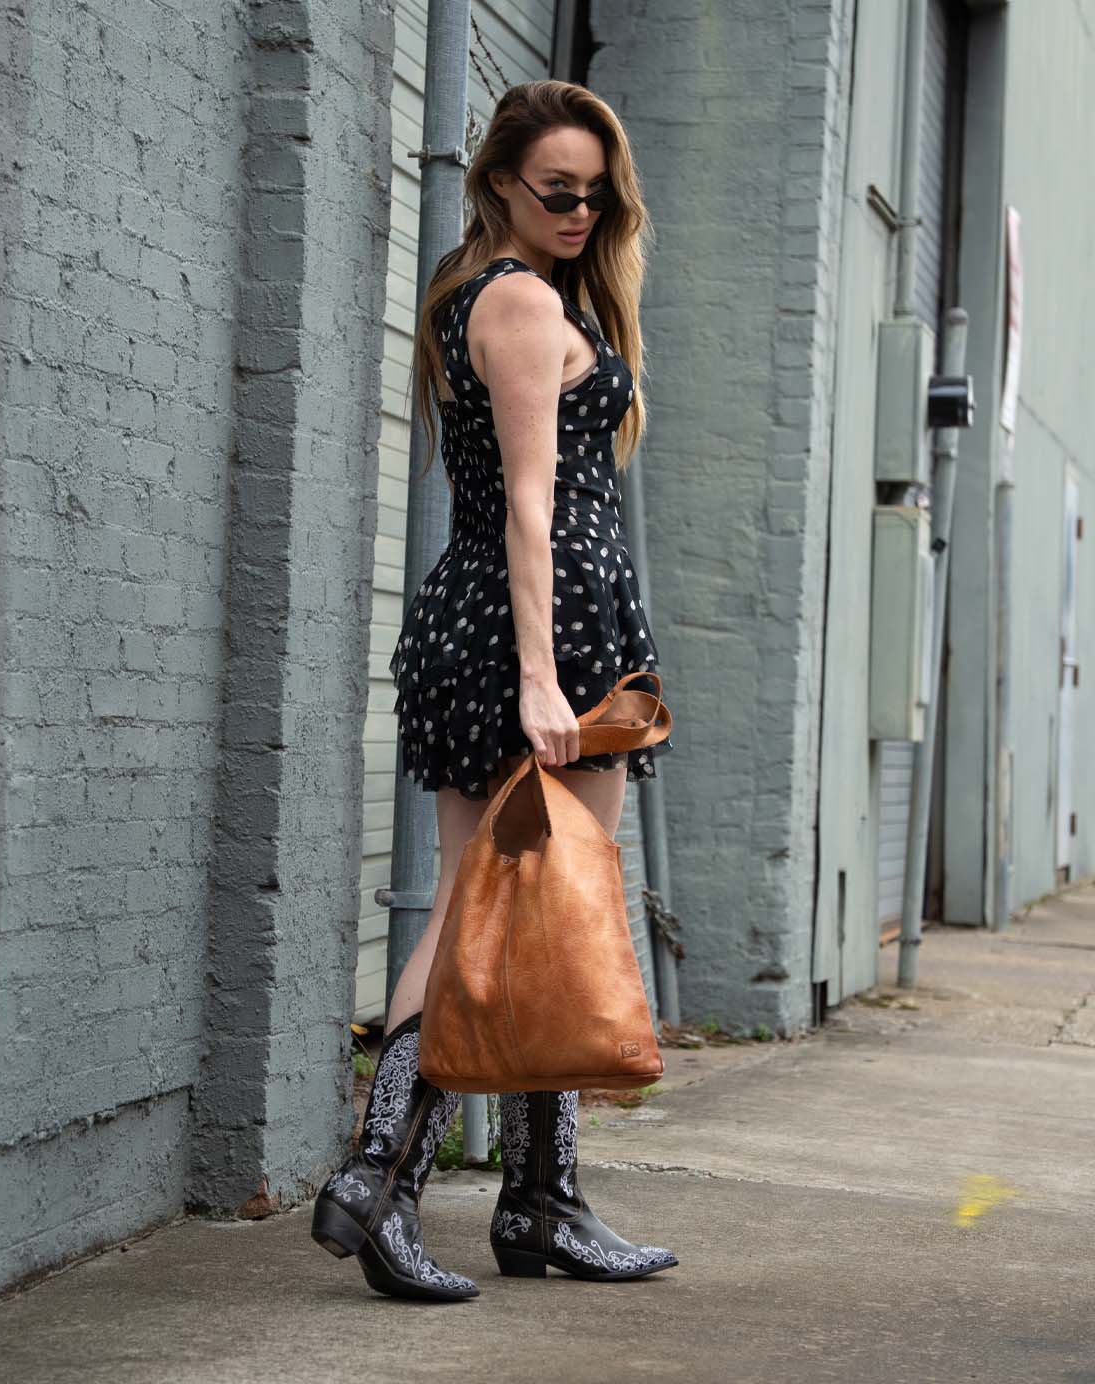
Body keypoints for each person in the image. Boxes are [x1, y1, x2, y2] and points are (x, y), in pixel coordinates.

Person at [311, 78, 677, 1302]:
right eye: (556, 191)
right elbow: (527, 498)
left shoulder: (504, 289)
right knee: (505, 920)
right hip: (542, 638)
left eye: (596, 192)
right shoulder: (517, 302)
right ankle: (385, 1181)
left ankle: (530, 1201)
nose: (579, 210)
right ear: (500, 183)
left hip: (517, 628)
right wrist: (539, 673)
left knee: (515, 922)